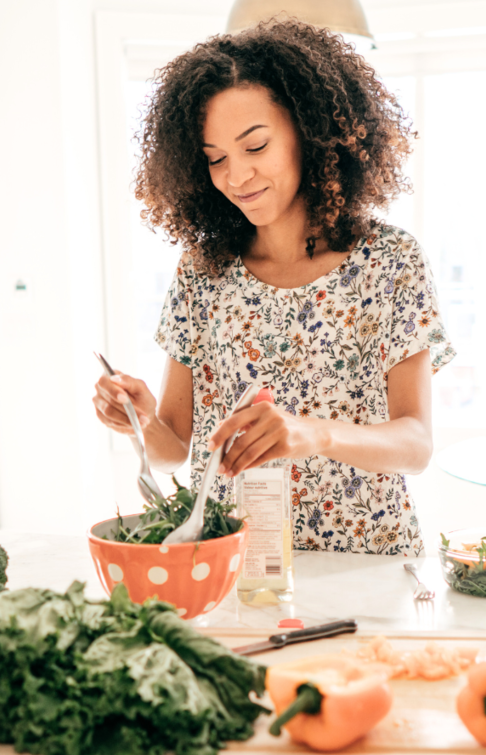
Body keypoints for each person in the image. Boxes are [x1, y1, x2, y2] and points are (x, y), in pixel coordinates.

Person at [91, 18, 455, 557]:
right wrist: (141, 420)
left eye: (255, 146)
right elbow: (175, 447)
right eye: (216, 158)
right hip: (234, 564)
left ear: (309, 132)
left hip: (365, 565)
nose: (236, 177)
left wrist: (315, 433)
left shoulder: (389, 262)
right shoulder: (202, 273)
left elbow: (416, 445)